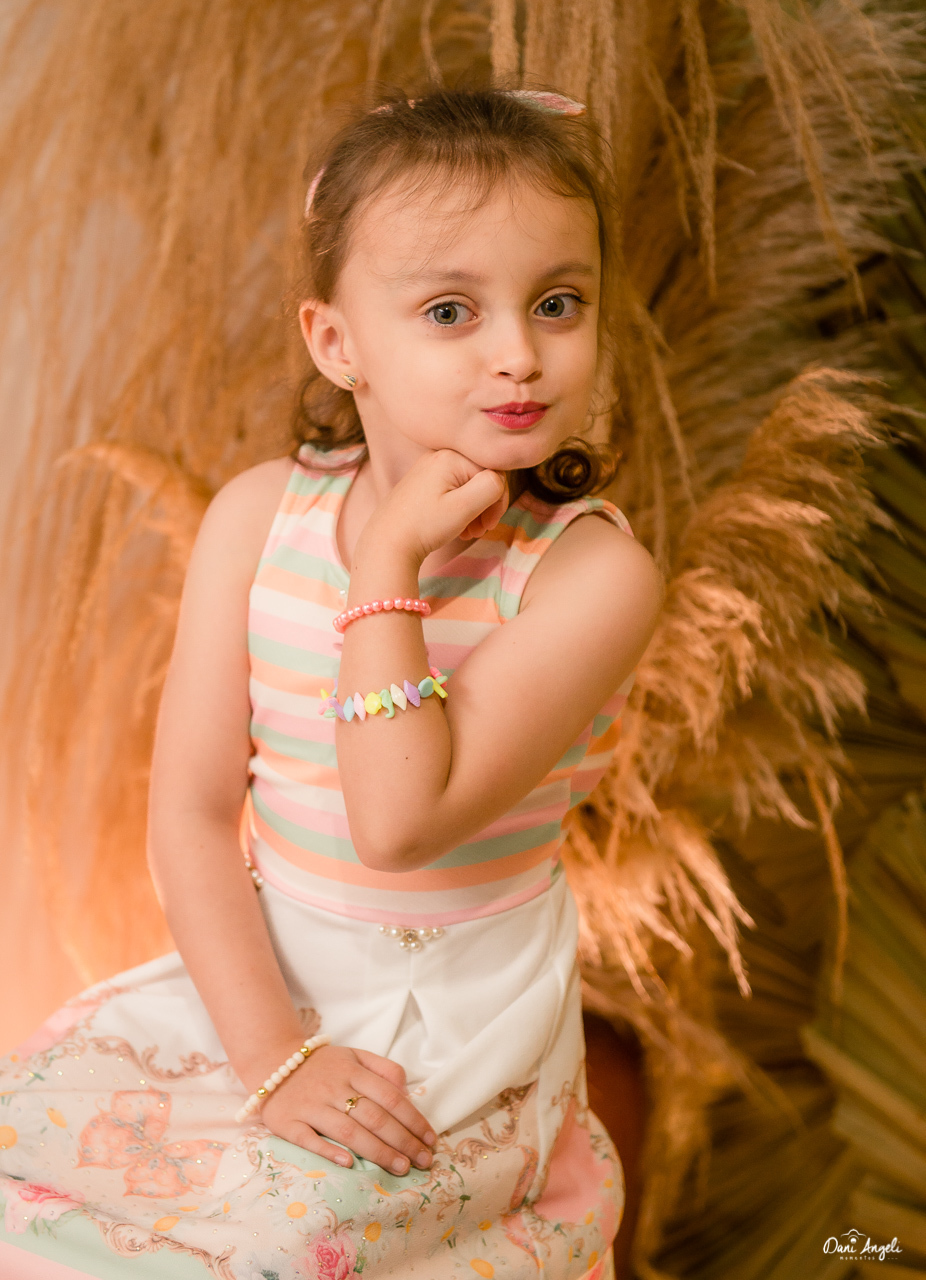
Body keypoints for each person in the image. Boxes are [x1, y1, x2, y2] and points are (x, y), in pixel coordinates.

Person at [0, 85, 663, 1279]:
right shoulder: (260, 516)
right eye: (450, 310)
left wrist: (387, 565)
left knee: (284, 1246)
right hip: (260, 976)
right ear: (335, 341)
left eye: (557, 302)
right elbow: (191, 811)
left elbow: (397, 818)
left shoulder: (589, 574)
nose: (518, 351)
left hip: (455, 1016)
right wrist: (273, 1054)